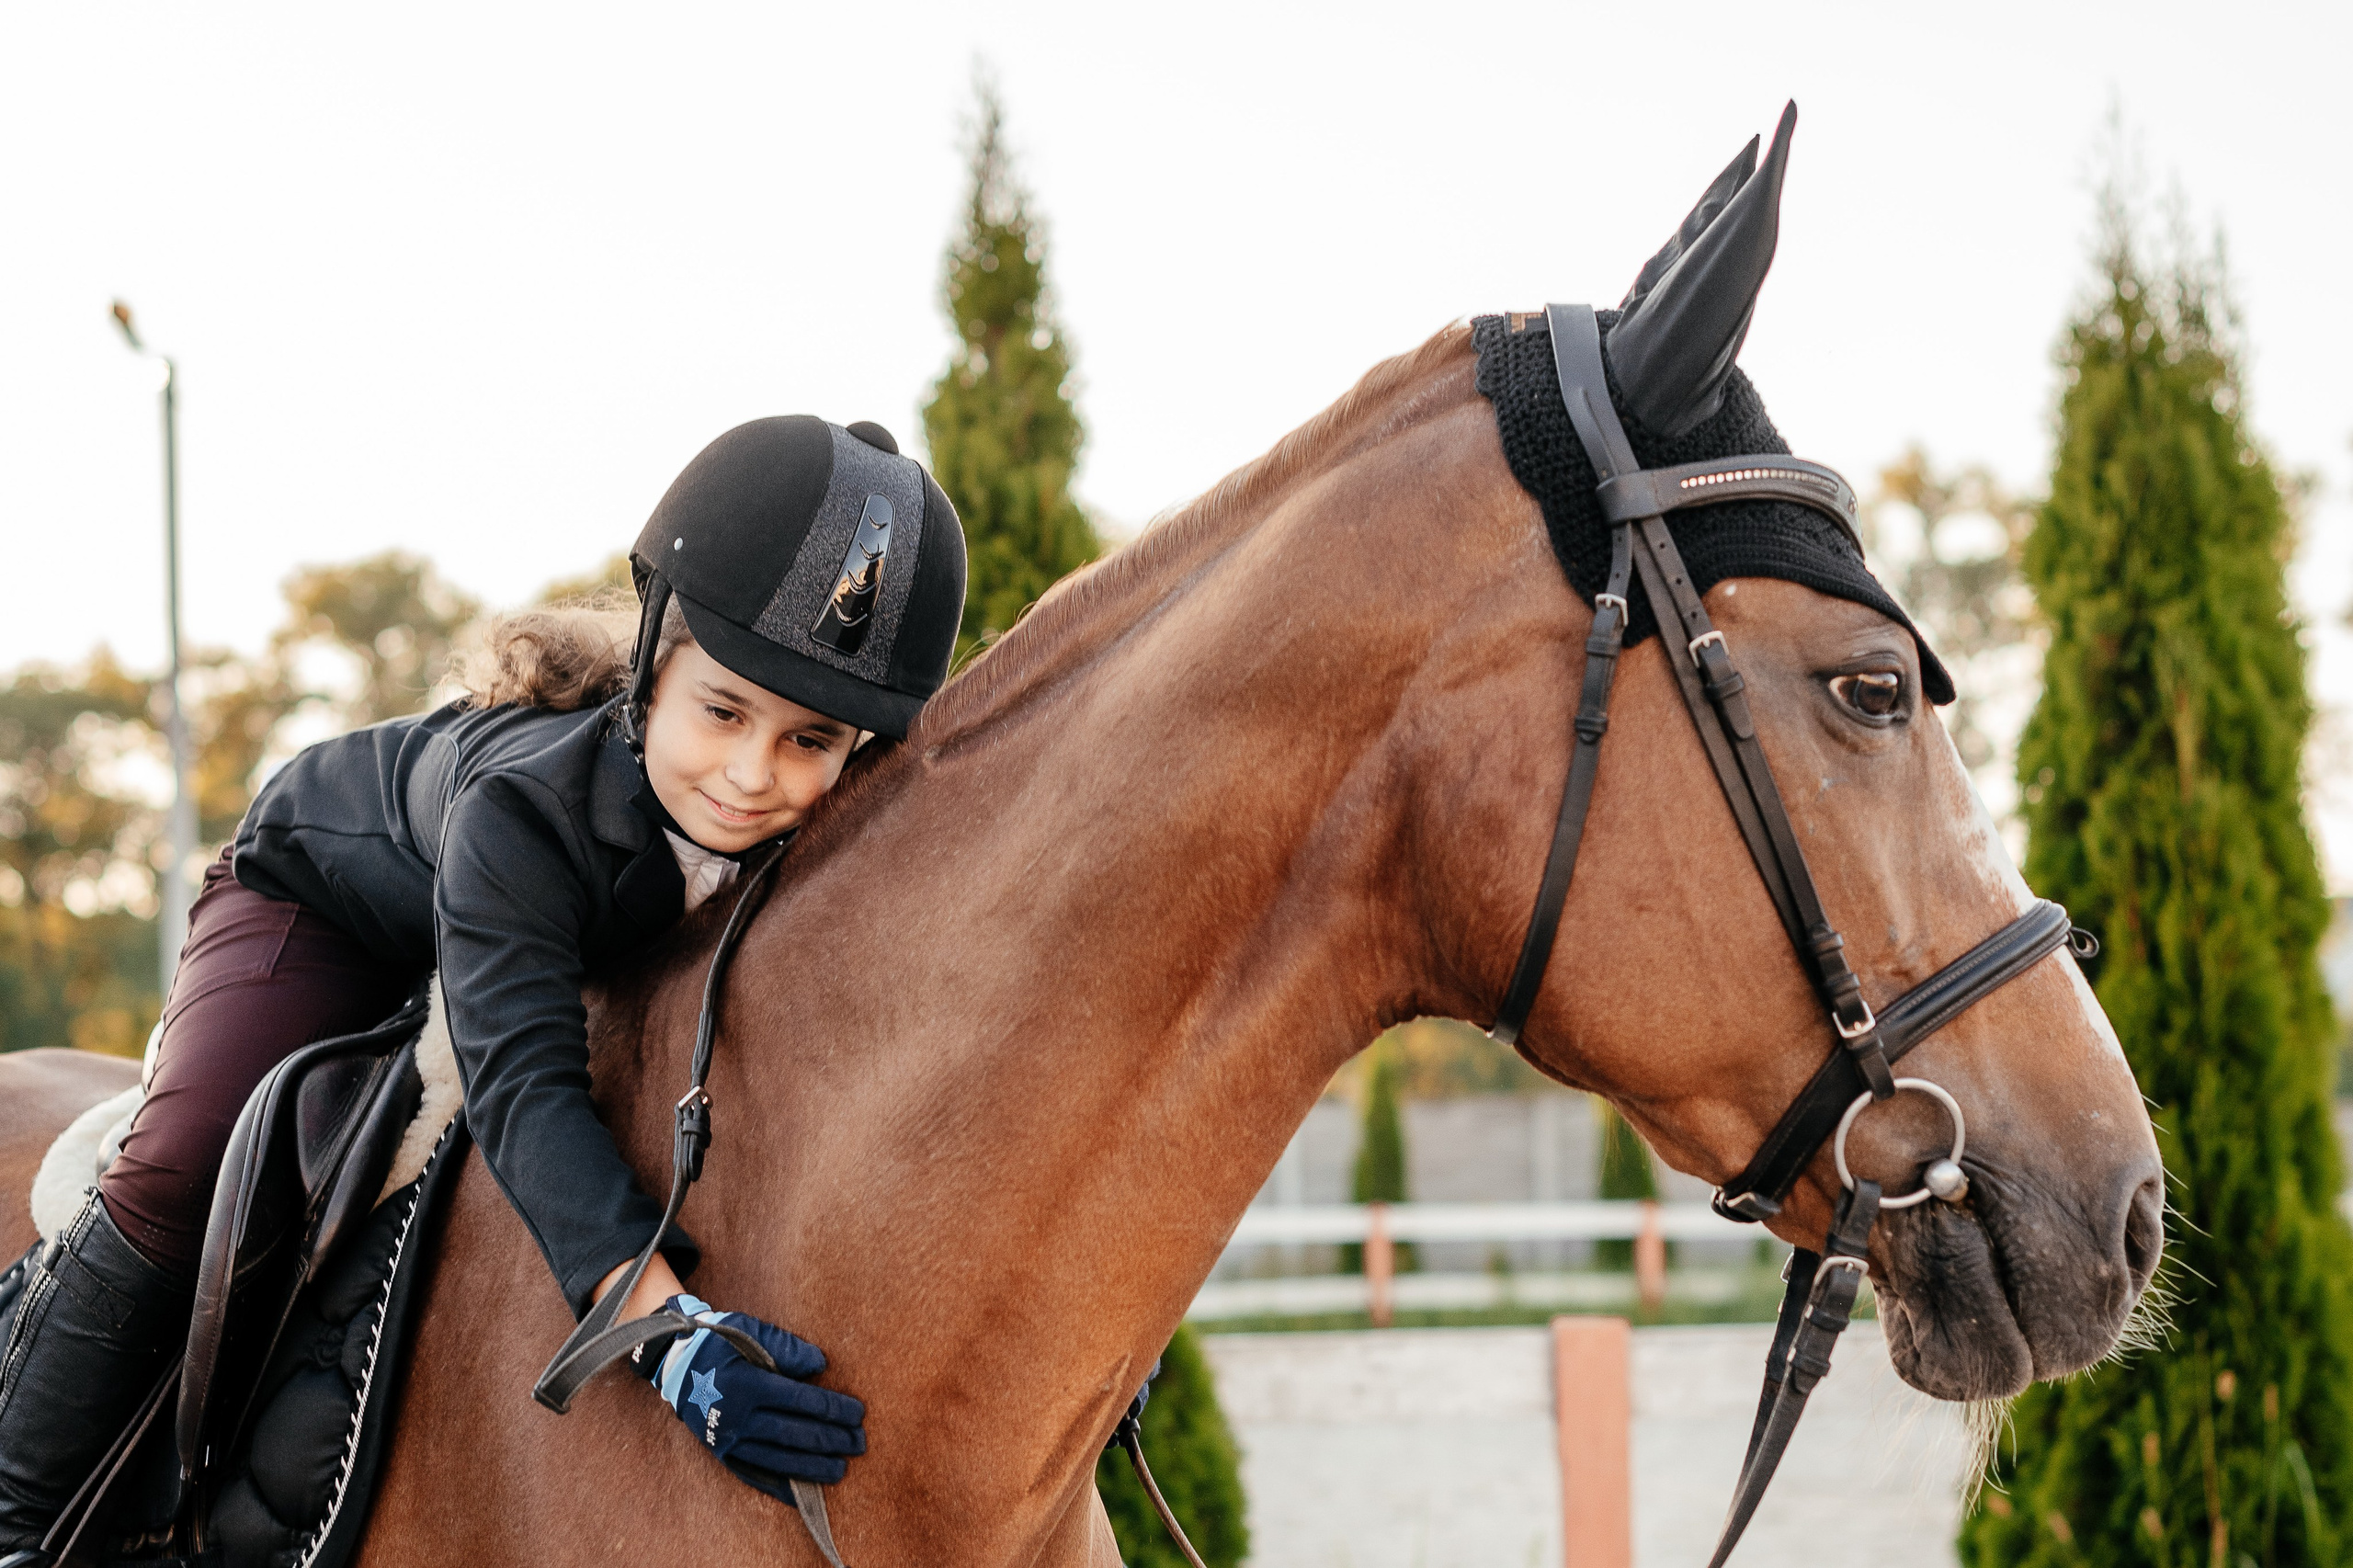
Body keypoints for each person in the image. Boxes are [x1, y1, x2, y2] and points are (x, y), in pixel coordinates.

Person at [0, 415, 967, 1563]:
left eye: (811, 739)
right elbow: (522, 1087)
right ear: (656, 661)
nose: (754, 775)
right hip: (317, 902)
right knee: (188, 1152)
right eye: (722, 711)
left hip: (519, 923)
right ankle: (18, 1508)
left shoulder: (808, 824)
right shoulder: (527, 809)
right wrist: (667, 1339)